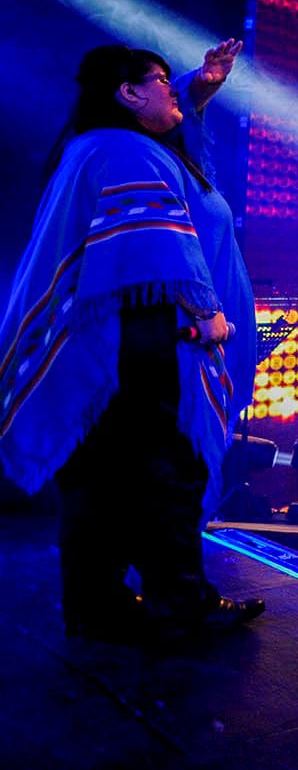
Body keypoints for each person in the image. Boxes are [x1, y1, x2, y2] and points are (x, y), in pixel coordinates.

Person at [1, 41, 260, 642]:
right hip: (145, 339)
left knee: (104, 473)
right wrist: (208, 316)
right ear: (127, 93)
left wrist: (192, 96)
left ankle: (98, 605)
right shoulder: (124, 152)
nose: (175, 87)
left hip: (119, 340)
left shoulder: (106, 144)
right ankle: (180, 600)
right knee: (165, 469)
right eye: (162, 79)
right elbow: (157, 248)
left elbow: (186, 178)